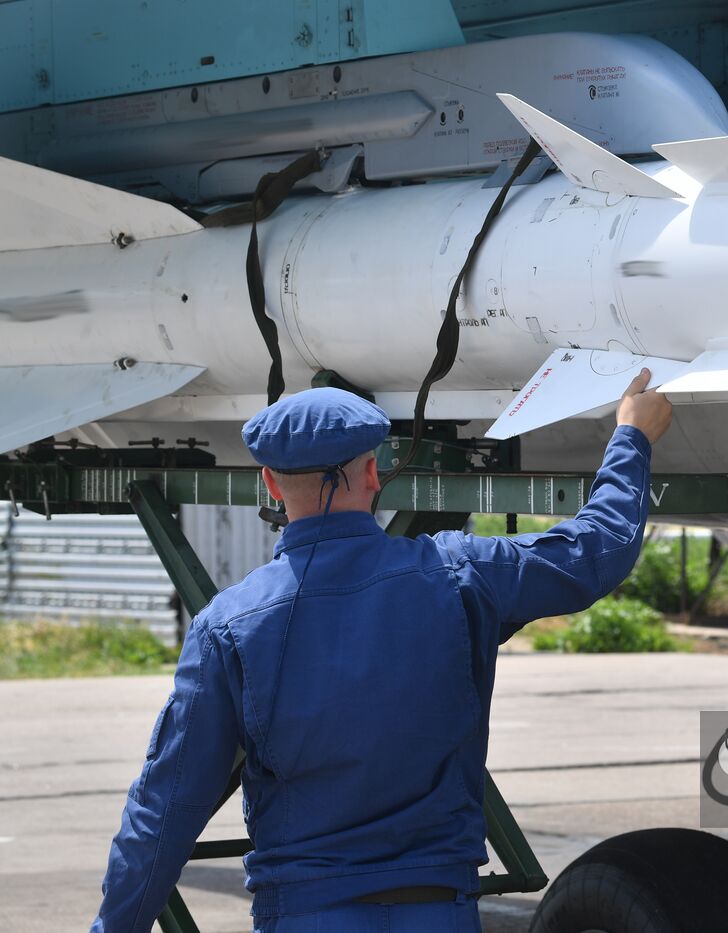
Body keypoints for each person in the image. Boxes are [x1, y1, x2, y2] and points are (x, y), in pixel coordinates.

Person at [91, 371, 673, 933]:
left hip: (305, 914)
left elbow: (163, 811)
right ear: (374, 473)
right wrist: (631, 436)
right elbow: (597, 551)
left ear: (269, 483)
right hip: (438, 911)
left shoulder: (229, 627)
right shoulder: (458, 575)